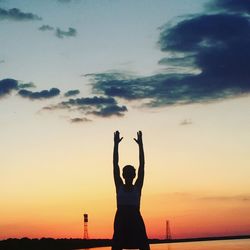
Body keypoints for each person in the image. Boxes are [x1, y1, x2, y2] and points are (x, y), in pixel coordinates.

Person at [112, 131, 150, 250]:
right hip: (121, 219)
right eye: (126, 173)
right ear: (123, 175)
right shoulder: (119, 186)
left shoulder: (137, 186)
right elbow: (115, 164)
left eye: (131, 173)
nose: (128, 175)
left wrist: (140, 145)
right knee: (117, 245)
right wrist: (116, 144)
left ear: (134, 175)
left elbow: (142, 166)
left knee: (144, 245)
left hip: (135, 218)